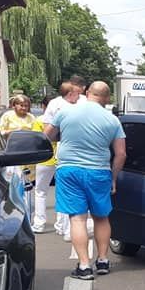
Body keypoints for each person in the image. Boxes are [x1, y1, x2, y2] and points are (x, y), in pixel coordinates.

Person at [44, 81, 126, 280]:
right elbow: (121, 154)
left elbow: (46, 137)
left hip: (69, 170)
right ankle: (104, 261)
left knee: (78, 218)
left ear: (87, 93)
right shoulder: (113, 120)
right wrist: (113, 178)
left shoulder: (65, 112)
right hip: (99, 172)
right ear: (107, 98)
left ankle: (84, 266)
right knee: (101, 217)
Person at [35, 81, 83, 235]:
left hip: (53, 150)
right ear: (70, 92)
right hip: (71, 150)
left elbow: (47, 132)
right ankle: (62, 226)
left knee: (41, 190)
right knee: (65, 189)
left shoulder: (54, 104)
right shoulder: (82, 104)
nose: (79, 94)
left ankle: (39, 223)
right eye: (77, 91)